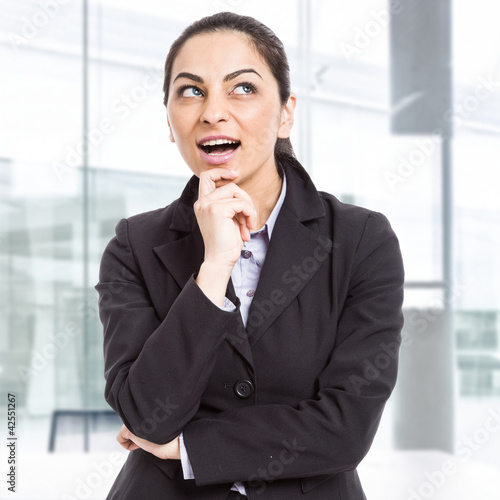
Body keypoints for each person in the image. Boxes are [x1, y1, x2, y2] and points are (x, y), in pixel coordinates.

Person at [95, 11, 405, 500]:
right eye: (191, 91)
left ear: (285, 112)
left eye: (242, 88)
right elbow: (146, 414)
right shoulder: (134, 246)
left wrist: (189, 447)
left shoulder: (361, 239)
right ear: (170, 122)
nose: (213, 111)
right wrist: (214, 267)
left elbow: (347, 425)